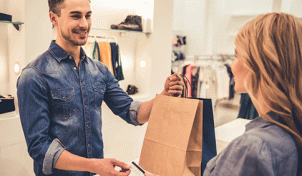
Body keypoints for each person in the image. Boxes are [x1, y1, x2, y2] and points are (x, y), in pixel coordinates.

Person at [16, 0, 183, 176]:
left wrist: (165, 95)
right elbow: (40, 147)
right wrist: (94, 165)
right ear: (53, 18)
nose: (84, 24)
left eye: (88, 16)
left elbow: (132, 112)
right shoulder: (34, 75)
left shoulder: (100, 70)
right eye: (75, 16)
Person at [202, 13, 302, 176]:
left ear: (259, 64)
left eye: (237, 55)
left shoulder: (252, 149)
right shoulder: (298, 131)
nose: (232, 65)